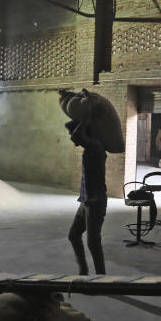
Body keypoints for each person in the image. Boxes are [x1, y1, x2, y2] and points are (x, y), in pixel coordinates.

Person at [66, 115, 107, 275]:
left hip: (96, 202)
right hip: (85, 201)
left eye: (71, 133)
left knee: (93, 243)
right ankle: (83, 271)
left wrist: (86, 115)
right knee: (73, 235)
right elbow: (77, 136)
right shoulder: (90, 148)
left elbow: (77, 135)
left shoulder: (96, 146)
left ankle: (101, 278)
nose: (71, 137)